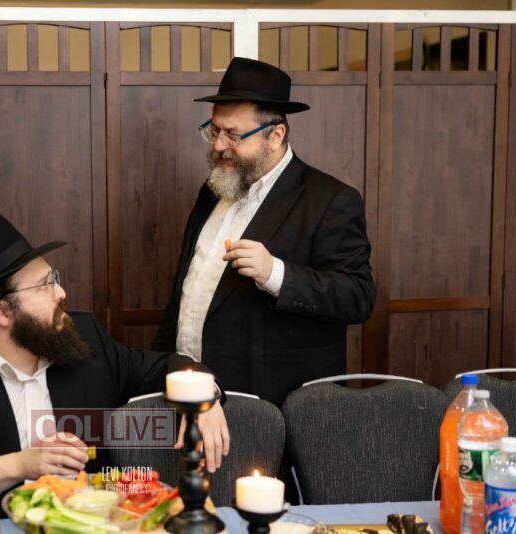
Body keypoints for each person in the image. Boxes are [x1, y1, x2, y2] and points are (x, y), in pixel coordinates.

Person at [0, 213, 229, 519]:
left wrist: (202, 396)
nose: (60, 292)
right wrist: (21, 464)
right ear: (1, 312)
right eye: (43, 285)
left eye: (53, 278)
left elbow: (162, 365)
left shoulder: (83, 335)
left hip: (90, 523)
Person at [153, 57, 376, 407]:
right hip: (191, 387)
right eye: (214, 131)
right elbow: (187, 286)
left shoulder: (330, 200)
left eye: (233, 135)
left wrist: (276, 273)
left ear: (275, 135)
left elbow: (358, 297)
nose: (218, 145)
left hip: (273, 403)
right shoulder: (213, 188)